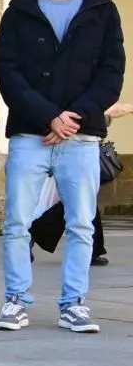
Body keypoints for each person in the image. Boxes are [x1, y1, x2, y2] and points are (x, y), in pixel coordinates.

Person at [0, 0, 126, 334]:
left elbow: (111, 73)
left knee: (81, 224)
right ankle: (16, 301)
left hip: (81, 136)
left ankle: (74, 304)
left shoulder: (102, 10)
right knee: (17, 222)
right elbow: (8, 73)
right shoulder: (19, 11)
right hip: (29, 134)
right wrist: (48, 116)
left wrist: (72, 118)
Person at [31, 98, 131, 266]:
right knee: (78, 198)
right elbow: (102, 110)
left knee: (84, 197)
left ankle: (93, 249)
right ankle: (32, 232)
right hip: (73, 146)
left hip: (74, 144)